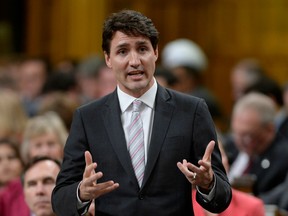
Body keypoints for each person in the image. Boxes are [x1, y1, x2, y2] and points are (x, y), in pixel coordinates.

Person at [52, 9, 232, 216]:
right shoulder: (88, 117)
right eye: (122, 51)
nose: (135, 61)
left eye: (142, 49)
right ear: (108, 59)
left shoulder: (192, 110)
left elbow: (222, 198)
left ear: (155, 52)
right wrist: (81, 193)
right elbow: (60, 200)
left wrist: (208, 183)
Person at [228, 92, 288, 197]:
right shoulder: (230, 147)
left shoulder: (283, 158)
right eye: (237, 134)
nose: (241, 142)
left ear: (269, 129)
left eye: (248, 135)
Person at [193, 140, 265, 216]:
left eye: (217, 155)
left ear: (227, 160)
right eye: (203, 156)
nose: (210, 163)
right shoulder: (182, 204)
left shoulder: (252, 206)